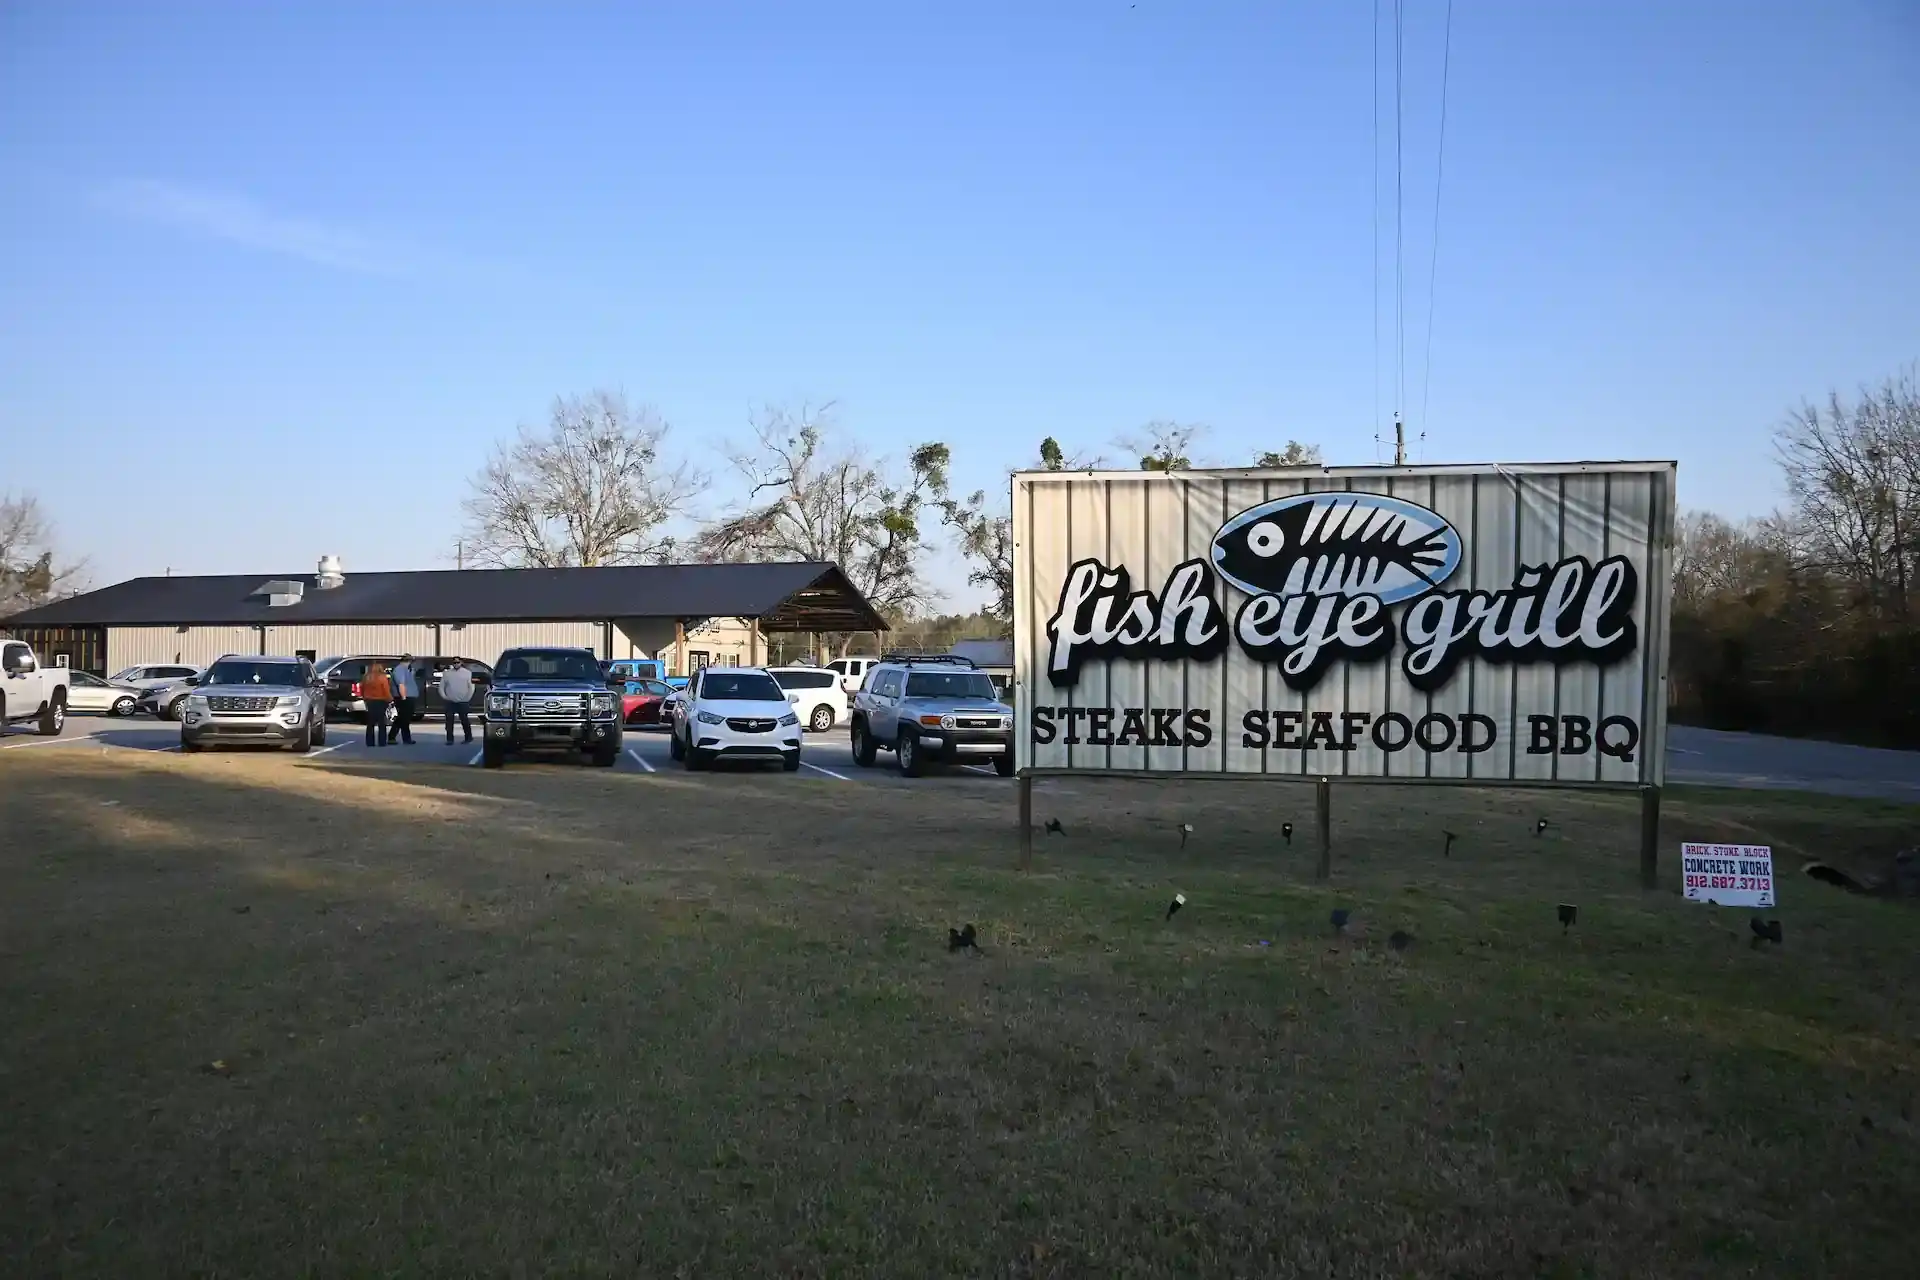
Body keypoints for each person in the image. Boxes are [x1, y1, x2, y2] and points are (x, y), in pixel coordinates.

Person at [440, 658, 475, 745]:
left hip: (463, 701)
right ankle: (449, 739)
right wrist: (444, 697)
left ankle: (468, 737)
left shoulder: (467, 673)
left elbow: (471, 687)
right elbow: (441, 687)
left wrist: (468, 698)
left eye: (457, 662)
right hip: (450, 701)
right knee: (449, 721)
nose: (456, 664)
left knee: (464, 720)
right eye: (454, 662)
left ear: (461, 663)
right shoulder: (447, 674)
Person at [360, 661, 392, 747]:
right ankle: (382, 742)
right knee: (381, 722)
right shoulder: (382, 677)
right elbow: (386, 689)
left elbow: (361, 688)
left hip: (369, 700)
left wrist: (364, 697)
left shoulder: (366, 677)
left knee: (370, 722)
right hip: (380, 700)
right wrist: (390, 699)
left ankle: (370, 742)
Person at [390, 654, 419, 745]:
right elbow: (401, 685)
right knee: (405, 719)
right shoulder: (400, 670)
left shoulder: (406, 670)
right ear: (408, 661)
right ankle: (406, 739)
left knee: (402, 718)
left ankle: (392, 736)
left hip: (408, 697)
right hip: (404, 698)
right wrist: (404, 697)